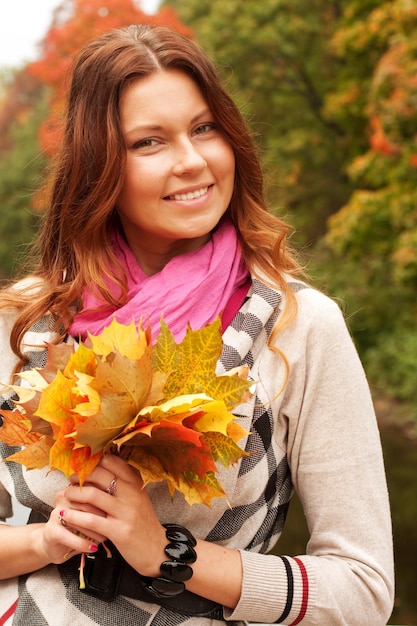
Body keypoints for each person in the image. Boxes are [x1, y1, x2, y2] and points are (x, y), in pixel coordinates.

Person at [0, 25, 394, 626]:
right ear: (99, 165)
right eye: (150, 142)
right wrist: (44, 541)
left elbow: (364, 591)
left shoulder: (297, 328)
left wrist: (167, 554)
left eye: (204, 128)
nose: (192, 161)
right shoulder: (27, 324)